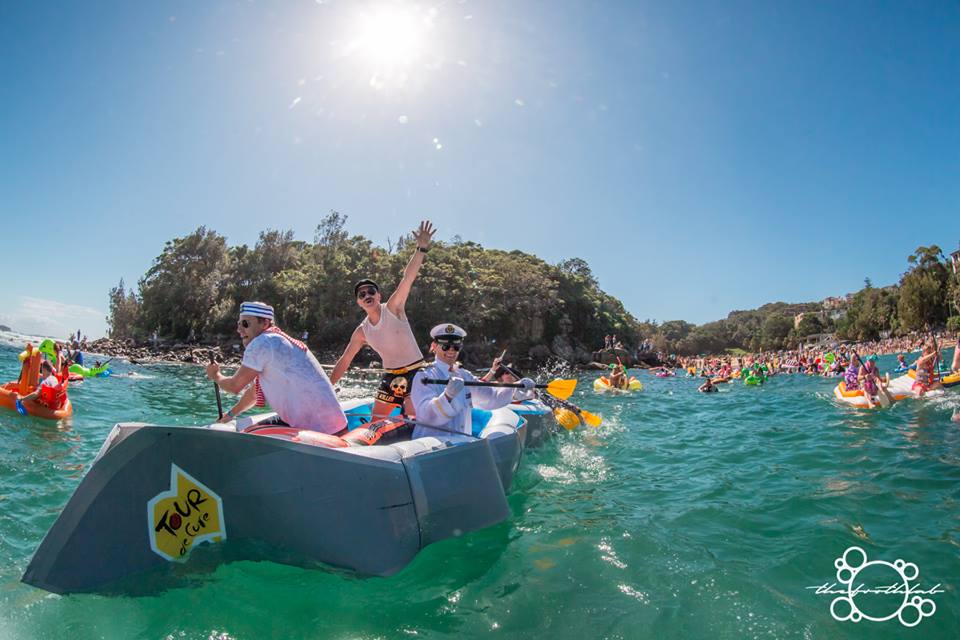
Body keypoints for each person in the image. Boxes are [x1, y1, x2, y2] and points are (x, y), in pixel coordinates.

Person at [330, 220, 435, 419]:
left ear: (379, 296)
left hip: (417, 373)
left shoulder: (394, 307)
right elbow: (344, 361)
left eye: (371, 292)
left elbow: (408, 277)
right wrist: (327, 388)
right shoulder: (362, 331)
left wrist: (421, 248)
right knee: (376, 421)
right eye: (362, 295)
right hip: (391, 377)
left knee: (413, 419)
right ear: (359, 302)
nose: (367, 295)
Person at [206, 301, 346, 434]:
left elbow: (234, 386)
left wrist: (216, 375)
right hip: (336, 426)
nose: (239, 329)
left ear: (265, 323)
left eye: (245, 323)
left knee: (249, 434)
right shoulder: (277, 340)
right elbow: (254, 392)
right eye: (238, 324)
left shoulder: (262, 342)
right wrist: (230, 415)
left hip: (318, 431)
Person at [411, 324, 534, 439]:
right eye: (446, 346)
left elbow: (490, 397)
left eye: (456, 347)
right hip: (430, 450)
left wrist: (516, 390)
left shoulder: (464, 374)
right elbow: (425, 415)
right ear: (434, 346)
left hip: (461, 446)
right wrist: (447, 397)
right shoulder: (424, 375)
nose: (451, 351)